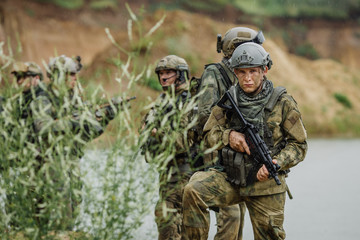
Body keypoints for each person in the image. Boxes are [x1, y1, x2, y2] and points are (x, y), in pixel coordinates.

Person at [183, 42, 308, 240]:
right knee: (193, 190)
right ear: (235, 72)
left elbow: (299, 145)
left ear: (264, 70)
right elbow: (208, 135)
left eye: (253, 71)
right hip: (231, 178)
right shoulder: (228, 100)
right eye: (241, 72)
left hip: (265, 183)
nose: (247, 78)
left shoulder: (283, 102)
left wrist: (277, 162)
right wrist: (229, 136)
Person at [196, 27, 265, 240]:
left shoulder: (244, 76)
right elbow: (204, 118)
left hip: (240, 161)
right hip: (218, 159)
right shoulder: (215, 74)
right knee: (231, 216)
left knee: (238, 220)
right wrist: (230, 133)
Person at [140, 55, 195, 240]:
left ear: (180, 74)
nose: (163, 77)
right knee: (174, 220)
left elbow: (184, 140)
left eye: (169, 73)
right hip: (167, 169)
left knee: (167, 215)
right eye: (161, 73)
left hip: (185, 169)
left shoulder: (189, 101)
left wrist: (157, 132)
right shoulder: (163, 100)